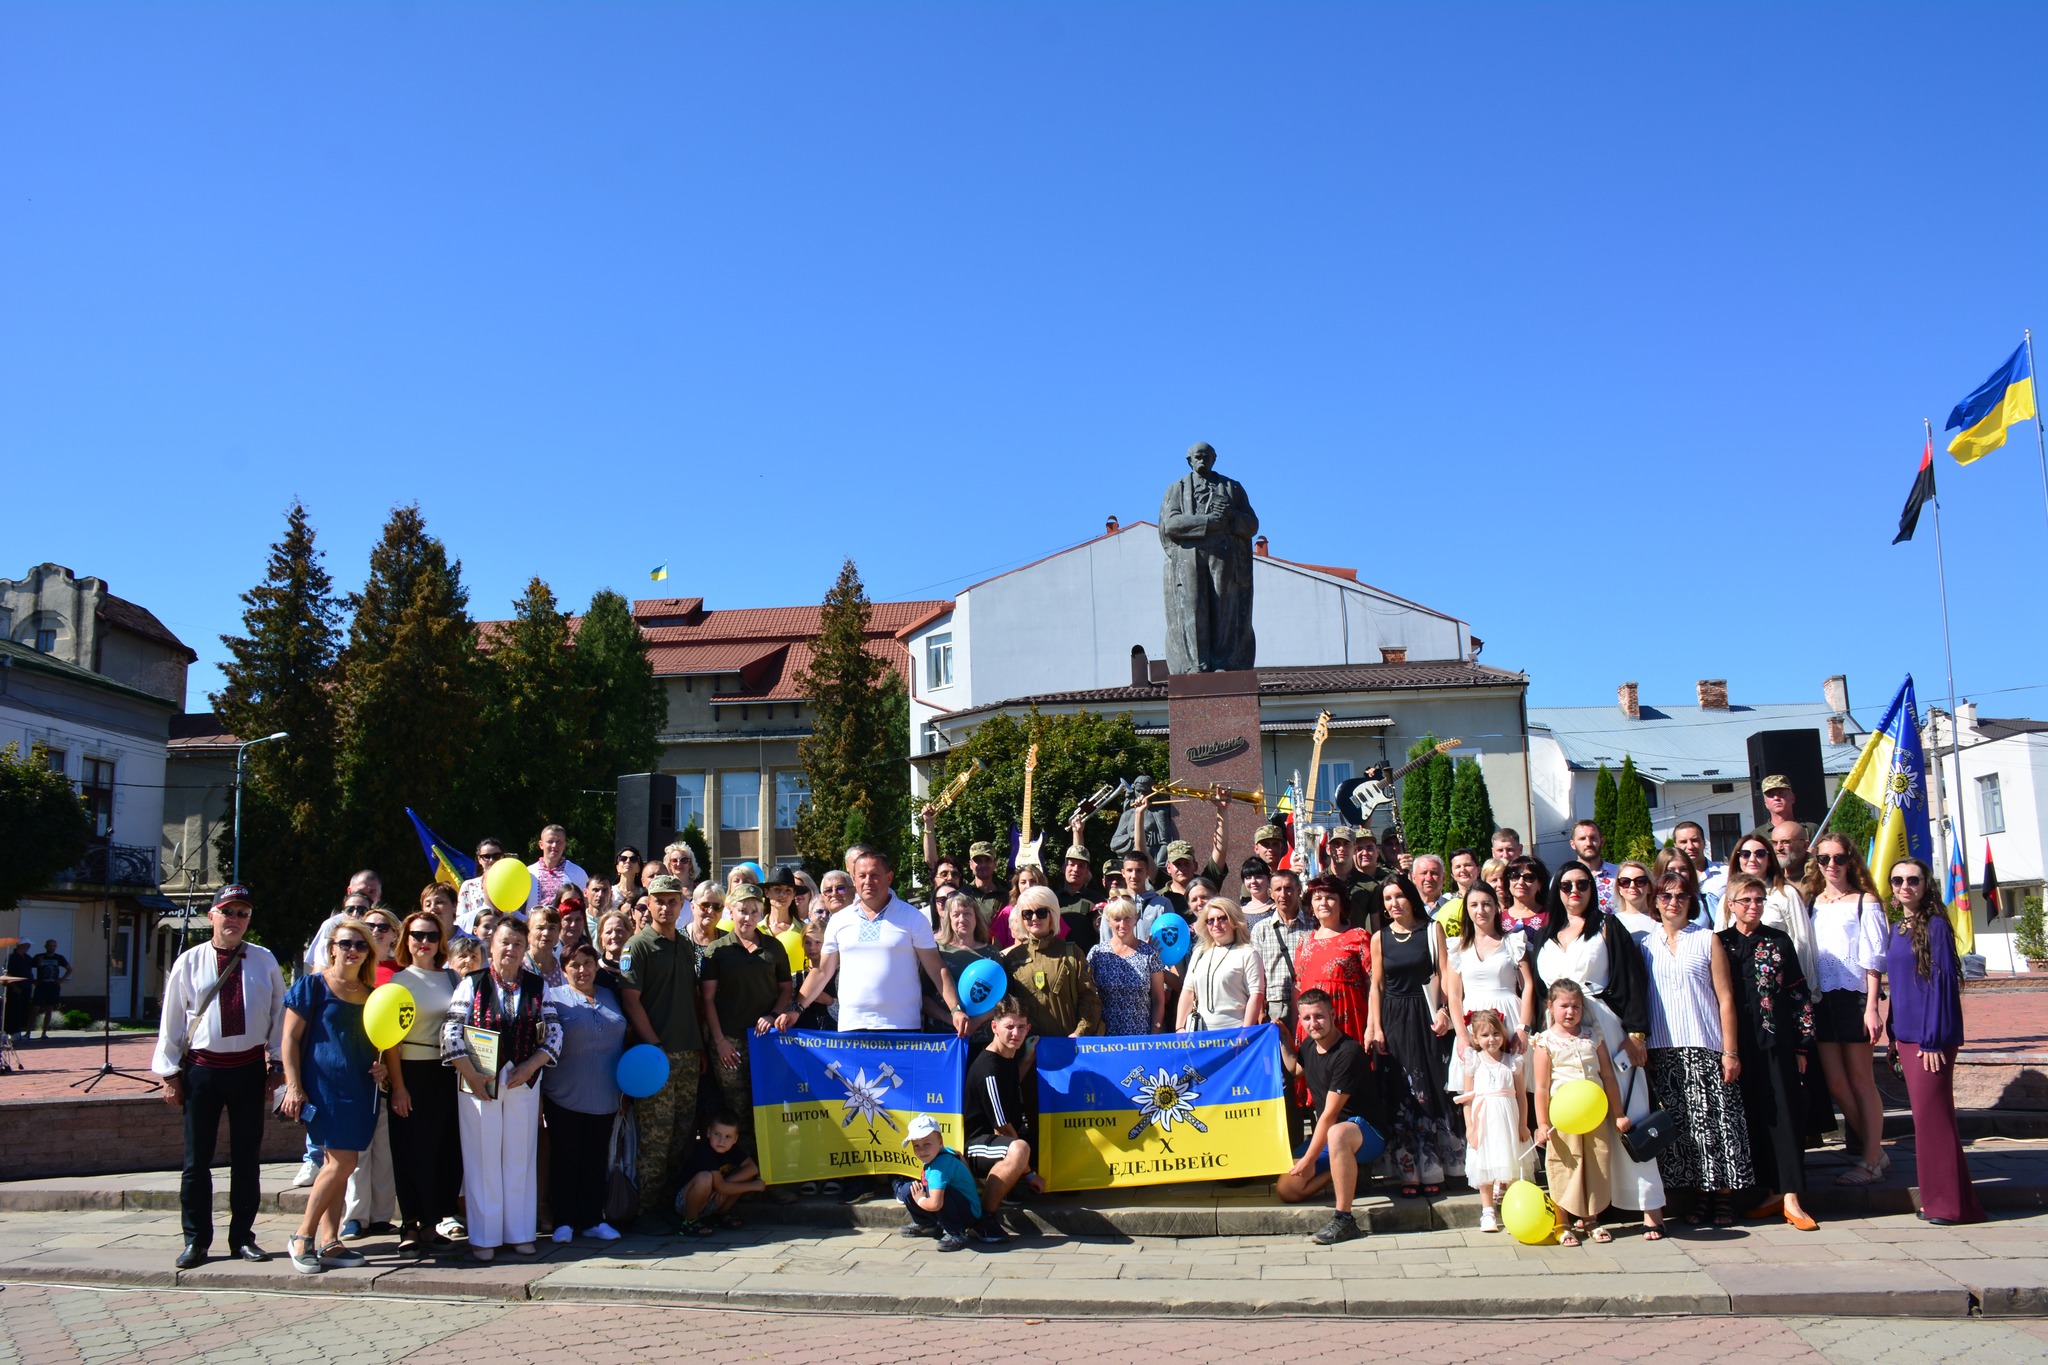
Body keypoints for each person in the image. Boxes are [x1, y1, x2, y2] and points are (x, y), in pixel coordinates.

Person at [154, 884, 287, 1268]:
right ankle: (196, 1241)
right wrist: (169, 1073)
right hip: (202, 1072)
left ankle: (242, 1238)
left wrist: (276, 1066)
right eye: (228, 912)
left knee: (247, 1159)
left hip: (247, 1070)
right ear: (212, 915)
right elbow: (172, 1020)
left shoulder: (263, 961)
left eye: (243, 913)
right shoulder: (189, 961)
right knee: (197, 1161)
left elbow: (279, 1015)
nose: (235, 920)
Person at [1532, 859, 1663, 1234]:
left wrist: (1636, 1032)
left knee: (1627, 1113)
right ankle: (1582, 1208)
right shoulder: (1546, 933)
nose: (1575, 892)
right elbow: (1541, 991)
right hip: (1559, 1033)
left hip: (1605, 1028)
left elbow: (1631, 979)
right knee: (1573, 1125)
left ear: (1594, 889)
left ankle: (1649, 1207)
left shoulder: (1607, 927)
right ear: (1556, 892)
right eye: (1567, 886)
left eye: (1583, 885)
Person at [443, 917, 560, 1260]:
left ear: (526, 949)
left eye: (517, 944)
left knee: (520, 1156)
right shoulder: (472, 983)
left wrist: (531, 1065)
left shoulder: (539, 987)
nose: (510, 949)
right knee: (483, 1156)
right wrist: (471, 1073)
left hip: (523, 1079)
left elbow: (554, 1032)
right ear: (491, 945)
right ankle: (484, 1236)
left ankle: (520, 1232)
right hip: (479, 1080)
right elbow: (451, 1031)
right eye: (504, 942)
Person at [1641, 869, 1754, 1226]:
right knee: (1684, 1130)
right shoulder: (1645, 944)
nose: (1672, 902)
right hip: (1665, 1049)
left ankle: (1722, 1198)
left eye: (1680, 896)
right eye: (1665, 896)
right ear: (1655, 901)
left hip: (1706, 1045)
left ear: (1691, 901)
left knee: (1715, 1127)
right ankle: (1697, 1198)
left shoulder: (1707, 940)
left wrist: (1730, 1051)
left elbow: (1725, 999)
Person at [1879, 856, 1985, 1225]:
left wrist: (1933, 1040)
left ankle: (1947, 1206)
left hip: (1931, 1039)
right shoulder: (1897, 929)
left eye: (1912, 880)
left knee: (1932, 1120)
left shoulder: (1936, 926)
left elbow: (1940, 986)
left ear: (1926, 885)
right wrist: (1893, 1035)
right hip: (1907, 1037)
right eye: (1897, 881)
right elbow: (1899, 988)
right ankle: (1954, 1204)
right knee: (1930, 1120)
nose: (1905, 886)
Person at [279, 916, 384, 1274]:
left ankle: (330, 1240)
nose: (352, 951)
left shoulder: (371, 996)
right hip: (324, 1089)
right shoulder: (312, 987)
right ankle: (302, 1236)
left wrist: (381, 1068)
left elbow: (378, 1045)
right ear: (331, 948)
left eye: (360, 945)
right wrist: (294, 1086)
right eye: (345, 944)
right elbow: (290, 1040)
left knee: (337, 1166)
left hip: (360, 1088)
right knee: (343, 1163)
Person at [1718, 874, 1819, 1231]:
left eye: (1759, 900)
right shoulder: (1720, 943)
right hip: (1734, 1044)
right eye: (1745, 900)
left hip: (1776, 1040)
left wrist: (1802, 1044)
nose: (1753, 906)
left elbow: (1796, 992)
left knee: (1785, 1115)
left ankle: (1791, 1195)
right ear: (1731, 905)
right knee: (1749, 1116)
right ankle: (1769, 1192)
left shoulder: (1778, 941)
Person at [1801, 832, 1890, 1186]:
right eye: (1824, 859)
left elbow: (1874, 958)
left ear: (1849, 860)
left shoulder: (1864, 901)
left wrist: (1872, 1007)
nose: (1832, 866)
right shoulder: (1811, 902)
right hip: (1821, 999)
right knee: (1836, 1085)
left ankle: (1870, 1157)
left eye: (1838, 858)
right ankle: (1876, 1150)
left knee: (1860, 1081)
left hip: (1854, 997)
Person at [619, 873, 706, 1230]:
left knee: (680, 1134)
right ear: (649, 904)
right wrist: (653, 1044)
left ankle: (669, 1203)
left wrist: (700, 1047)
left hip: (688, 1051)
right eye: (660, 900)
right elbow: (630, 999)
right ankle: (645, 1210)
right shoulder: (638, 946)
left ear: (681, 905)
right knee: (655, 1136)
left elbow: (695, 999)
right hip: (656, 1056)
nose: (667, 906)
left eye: (673, 901)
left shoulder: (685, 945)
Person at [1368, 875, 1461, 1194]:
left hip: (1426, 1015)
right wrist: (1376, 1026)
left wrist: (1445, 1011)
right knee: (1401, 1093)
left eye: (1399, 897)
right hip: (1395, 1018)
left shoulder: (1431, 930)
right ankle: (1409, 1171)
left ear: (1410, 897)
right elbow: (1377, 985)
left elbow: (1444, 972)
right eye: (1387, 899)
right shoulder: (1379, 937)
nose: (1393, 904)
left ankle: (1434, 1169)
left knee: (1430, 1089)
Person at [383, 910, 463, 1256]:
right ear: (406, 940)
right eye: (417, 936)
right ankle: (411, 1224)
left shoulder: (452, 979)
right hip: (410, 1073)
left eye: (431, 936)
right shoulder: (398, 983)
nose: (425, 943)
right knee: (411, 1151)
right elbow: (389, 1040)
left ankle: (433, 1223)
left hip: (444, 1072)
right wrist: (398, 1086)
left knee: (443, 1150)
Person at [1275, 988, 1379, 1244]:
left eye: (1319, 1016)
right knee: (1288, 1189)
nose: (1313, 1023)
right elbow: (1294, 1068)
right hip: (1334, 1136)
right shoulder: (1310, 1045)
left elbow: (1330, 1115)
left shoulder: (1348, 1052)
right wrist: (1284, 1036)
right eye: (1307, 1018)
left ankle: (1344, 1218)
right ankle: (1351, 1170)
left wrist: (1309, 1160)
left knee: (1336, 1132)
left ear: (1333, 1014)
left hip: (1365, 1132)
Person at [1532, 979, 1629, 1245]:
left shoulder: (1592, 1036)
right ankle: (1562, 1222)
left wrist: (1618, 1113)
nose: (1570, 1011)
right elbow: (1541, 1088)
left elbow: (1608, 1076)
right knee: (1565, 1165)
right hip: (1563, 1117)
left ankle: (1591, 1219)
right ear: (1551, 1006)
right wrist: (1541, 1124)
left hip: (1594, 1113)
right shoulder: (1545, 1042)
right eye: (1564, 1006)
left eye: (1576, 1006)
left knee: (1597, 1162)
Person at [544, 940, 628, 1243]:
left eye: (588, 963)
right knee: (566, 1158)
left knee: (595, 1159)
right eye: (575, 965)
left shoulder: (610, 996)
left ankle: (593, 1218)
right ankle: (564, 1220)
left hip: (606, 1095)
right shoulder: (554, 999)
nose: (582, 970)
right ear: (564, 970)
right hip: (564, 1095)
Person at [702, 883, 792, 1147]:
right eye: (743, 910)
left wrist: (773, 1014)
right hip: (730, 1041)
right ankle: (741, 1171)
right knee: (736, 1109)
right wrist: (719, 1041)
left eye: (754, 911)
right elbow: (707, 998)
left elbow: (786, 989)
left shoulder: (774, 948)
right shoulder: (717, 950)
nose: (748, 917)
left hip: (765, 1041)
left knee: (768, 1106)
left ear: (761, 913)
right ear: (732, 912)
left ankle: (768, 1175)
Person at [962, 998, 1041, 1241]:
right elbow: (1002, 1130)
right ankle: (983, 1218)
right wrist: (1028, 1174)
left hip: (998, 1141)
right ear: (994, 1027)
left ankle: (1008, 1186)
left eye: (1021, 1027)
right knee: (1019, 1150)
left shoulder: (1008, 1056)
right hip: (976, 1145)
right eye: (1009, 1027)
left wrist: (1027, 1058)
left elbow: (1010, 1082)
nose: (1015, 1033)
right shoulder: (988, 1068)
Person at [1445, 881, 1536, 1089]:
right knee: (1477, 1090)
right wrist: (1461, 1036)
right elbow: (1454, 995)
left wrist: (1523, 1029)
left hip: (1510, 1020)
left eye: (1486, 904)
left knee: (1514, 1087)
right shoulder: (1457, 948)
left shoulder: (1513, 942)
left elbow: (1528, 985)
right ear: (1467, 910)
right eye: (1474, 905)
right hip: (1472, 1023)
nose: (1481, 910)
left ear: (1496, 907)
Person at [1453, 1009, 1531, 1231]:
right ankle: (1488, 1212)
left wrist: (1523, 1124)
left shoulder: (1512, 1062)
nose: (1492, 1039)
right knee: (1484, 1165)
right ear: (1475, 1038)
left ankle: (1513, 1207)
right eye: (1485, 1035)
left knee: (1512, 1162)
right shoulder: (1474, 1063)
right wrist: (1469, 1126)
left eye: (1496, 1034)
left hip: (1508, 1118)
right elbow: (1467, 1097)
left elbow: (1521, 1096)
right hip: (1484, 1121)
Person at [1001, 886, 1103, 1038]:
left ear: (1052, 915)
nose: (1034, 918)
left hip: (1069, 1046)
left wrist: (1080, 1032)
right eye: (1028, 914)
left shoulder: (1072, 953)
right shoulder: (1012, 958)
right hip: (1029, 1050)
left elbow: (1089, 998)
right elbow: (1008, 1007)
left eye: (1041, 912)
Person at [1721, 835, 1818, 985]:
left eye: (1759, 854)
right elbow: (1719, 945)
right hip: (1738, 986)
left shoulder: (1785, 894)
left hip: (1779, 986)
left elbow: (1803, 942)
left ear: (1769, 858)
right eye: (1746, 854)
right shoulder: (1726, 898)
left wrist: (1810, 990)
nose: (1752, 859)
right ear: (1738, 858)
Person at [897, 1112, 983, 1252]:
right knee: (909, 1189)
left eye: (927, 1144)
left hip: (967, 1214)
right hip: (966, 1206)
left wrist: (920, 1200)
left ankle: (956, 1231)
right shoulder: (945, 1152)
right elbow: (958, 1154)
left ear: (940, 1141)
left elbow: (936, 1204)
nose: (922, 1150)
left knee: (931, 1193)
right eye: (916, 1146)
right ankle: (928, 1225)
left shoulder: (938, 1168)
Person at [1176, 898, 1265, 1031]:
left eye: (1222, 918)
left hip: (1234, 1032)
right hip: (1201, 1034)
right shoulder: (1199, 952)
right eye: (1210, 920)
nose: (1215, 924)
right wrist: (1179, 1028)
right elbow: (1188, 991)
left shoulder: (1248, 953)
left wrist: (1245, 1033)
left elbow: (1256, 995)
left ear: (1234, 921)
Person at [1087, 896, 1165, 1036]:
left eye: (1127, 918)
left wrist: (1155, 1031)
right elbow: (1087, 996)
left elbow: (1158, 998)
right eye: (1117, 919)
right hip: (1106, 1039)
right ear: (1108, 921)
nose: (1122, 924)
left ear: (1135, 918)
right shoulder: (1097, 954)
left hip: (1141, 1039)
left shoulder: (1149, 954)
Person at [677, 1110, 765, 1235]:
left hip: (713, 1199)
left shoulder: (733, 1150)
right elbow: (721, 1187)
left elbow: (752, 1169)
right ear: (708, 1133)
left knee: (745, 1172)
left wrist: (727, 1182)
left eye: (728, 1137)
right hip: (685, 1202)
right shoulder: (705, 1152)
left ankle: (722, 1213)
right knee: (705, 1177)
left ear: (735, 1139)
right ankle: (689, 1221)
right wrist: (753, 1186)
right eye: (717, 1134)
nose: (722, 1141)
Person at [1254, 868, 1314, 1045]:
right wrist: (1260, 1010)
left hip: (1309, 1002)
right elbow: (1256, 973)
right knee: (1279, 1060)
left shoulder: (1314, 925)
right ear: (1271, 893)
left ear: (1298, 890)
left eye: (1288, 888)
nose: (1283, 894)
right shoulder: (1261, 929)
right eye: (1278, 889)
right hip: (1275, 1005)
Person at [928, 891, 999, 1040]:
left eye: (967, 913)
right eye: (956, 915)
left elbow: (1003, 998)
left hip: (983, 1038)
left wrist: (977, 1021)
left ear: (976, 918)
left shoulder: (991, 953)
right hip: (942, 1038)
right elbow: (923, 998)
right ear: (948, 919)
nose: (962, 919)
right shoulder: (936, 952)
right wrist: (951, 1018)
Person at [527, 824, 589, 912]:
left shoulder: (577, 873)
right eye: (550, 841)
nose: (554, 845)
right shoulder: (529, 872)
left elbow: (586, 905)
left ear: (564, 845)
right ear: (541, 844)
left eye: (559, 842)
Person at [990, 864, 1053, 949]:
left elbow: (1059, 943)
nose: (1028, 886)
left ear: (1040, 883)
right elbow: (996, 949)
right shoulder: (1007, 912)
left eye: (1033, 881)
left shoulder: (1050, 910)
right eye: (1023, 882)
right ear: (1017, 885)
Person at [1674, 821, 1726, 914]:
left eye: (1695, 840)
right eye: (1683, 842)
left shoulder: (1726, 874)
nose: (1690, 846)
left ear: (1704, 843)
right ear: (1675, 846)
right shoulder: (1670, 878)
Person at [1568, 820, 1619, 913]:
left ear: (1602, 841)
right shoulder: (1564, 878)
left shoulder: (1619, 875)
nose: (1588, 843)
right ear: (1573, 844)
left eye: (1593, 838)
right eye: (1582, 838)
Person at [1751, 774, 1818, 844]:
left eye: (1781, 793)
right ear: (1765, 803)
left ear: (1792, 798)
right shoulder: (1757, 835)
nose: (1776, 798)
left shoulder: (1810, 830)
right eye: (1771, 795)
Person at [1344, 832, 1391, 931]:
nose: (1364, 853)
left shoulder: (1390, 879)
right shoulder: (1345, 881)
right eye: (1359, 849)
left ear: (1377, 852)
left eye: (1369, 848)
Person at [457, 842, 506, 932]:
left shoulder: (511, 883)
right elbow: (461, 918)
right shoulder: (468, 885)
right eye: (486, 856)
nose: (491, 860)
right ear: (479, 859)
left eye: (496, 856)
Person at [30, 937, 71, 1037]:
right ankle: (28, 1032)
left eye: (54, 946)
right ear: (45, 946)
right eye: (50, 946)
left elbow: (69, 969)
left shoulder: (59, 958)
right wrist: (33, 980)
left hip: (53, 987)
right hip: (41, 986)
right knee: (35, 1008)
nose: (52, 948)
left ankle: (44, 1033)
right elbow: (28, 968)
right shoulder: (39, 957)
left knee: (49, 1009)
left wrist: (62, 979)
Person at [1501, 856, 1551, 936]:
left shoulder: (1550, 917)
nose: (1520, 882)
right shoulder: (1498, 919)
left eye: (1529, 877)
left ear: (1540, 885)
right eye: (1515, 876)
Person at [525, 903, 568, 988]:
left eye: (552, 928)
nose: (546, 933)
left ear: (559, 932)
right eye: (540, 928)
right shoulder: (520, 965)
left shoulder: (563, 966)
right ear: (528, 932)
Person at [5, 938, 34, 1050]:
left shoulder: (27, 958)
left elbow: (34, 965)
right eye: (27, 945)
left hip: (26, 988)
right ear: (21, 945)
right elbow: (8, 973)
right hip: (15, 989)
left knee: (23, 1009)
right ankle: (12, 1032)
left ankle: (19, 1031)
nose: (28, 948)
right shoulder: (12, 957)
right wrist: (15, 987)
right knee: (13, 1010)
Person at [1772, 820, 1813, 885]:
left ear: (1805, 845)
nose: (1778, 848)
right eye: (1774, 843)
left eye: (1785, 842)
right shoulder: (1767, 875)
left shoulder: (1821, 874)